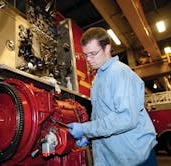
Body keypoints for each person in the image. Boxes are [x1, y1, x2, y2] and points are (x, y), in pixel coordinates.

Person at [67, 27, 158, 166]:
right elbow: (104, 118)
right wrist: (89, 136)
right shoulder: (98, 78)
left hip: (135, 157)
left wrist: (85, 128)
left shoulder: (119, 73)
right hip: (115, 157)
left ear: (107, 48)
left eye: (93, 53)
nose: (88, 59)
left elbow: (125, 118)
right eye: (86, 55)